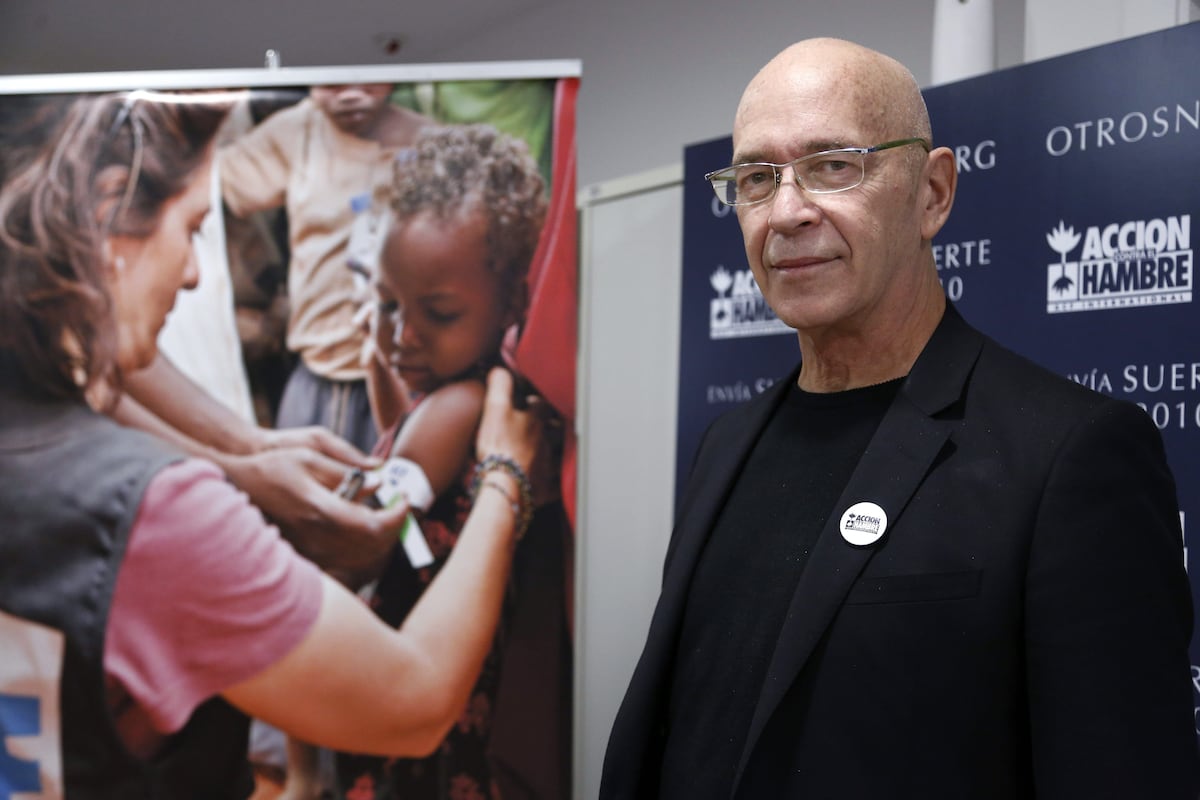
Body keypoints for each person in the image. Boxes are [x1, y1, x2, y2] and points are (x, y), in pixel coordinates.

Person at [599, 37, 1199, 799]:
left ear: (932, 193)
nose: (787, 212)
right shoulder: (725, 445)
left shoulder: (1067, 456)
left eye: (832, 166)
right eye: (757, 178)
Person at [0, 90, 545, 799]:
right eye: (193, 228)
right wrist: (506, 474)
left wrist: (249, 457)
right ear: (109, 215)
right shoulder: (153, 511)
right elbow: (412, 701)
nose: (197, 271)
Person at [308, 123, 567, 800]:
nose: (402, 335)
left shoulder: (457, 408)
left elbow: (378, 522)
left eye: (437, 313)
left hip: (419, 691)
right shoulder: (484, 395)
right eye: (389, 304)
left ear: (513, 301)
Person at [218, 83, 431, 455]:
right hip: (316, 375)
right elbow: (215, 186)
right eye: (332, 80)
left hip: (402, 376)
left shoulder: (429, 143)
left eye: (365, 77)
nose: (349, 93)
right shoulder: (297, 132)